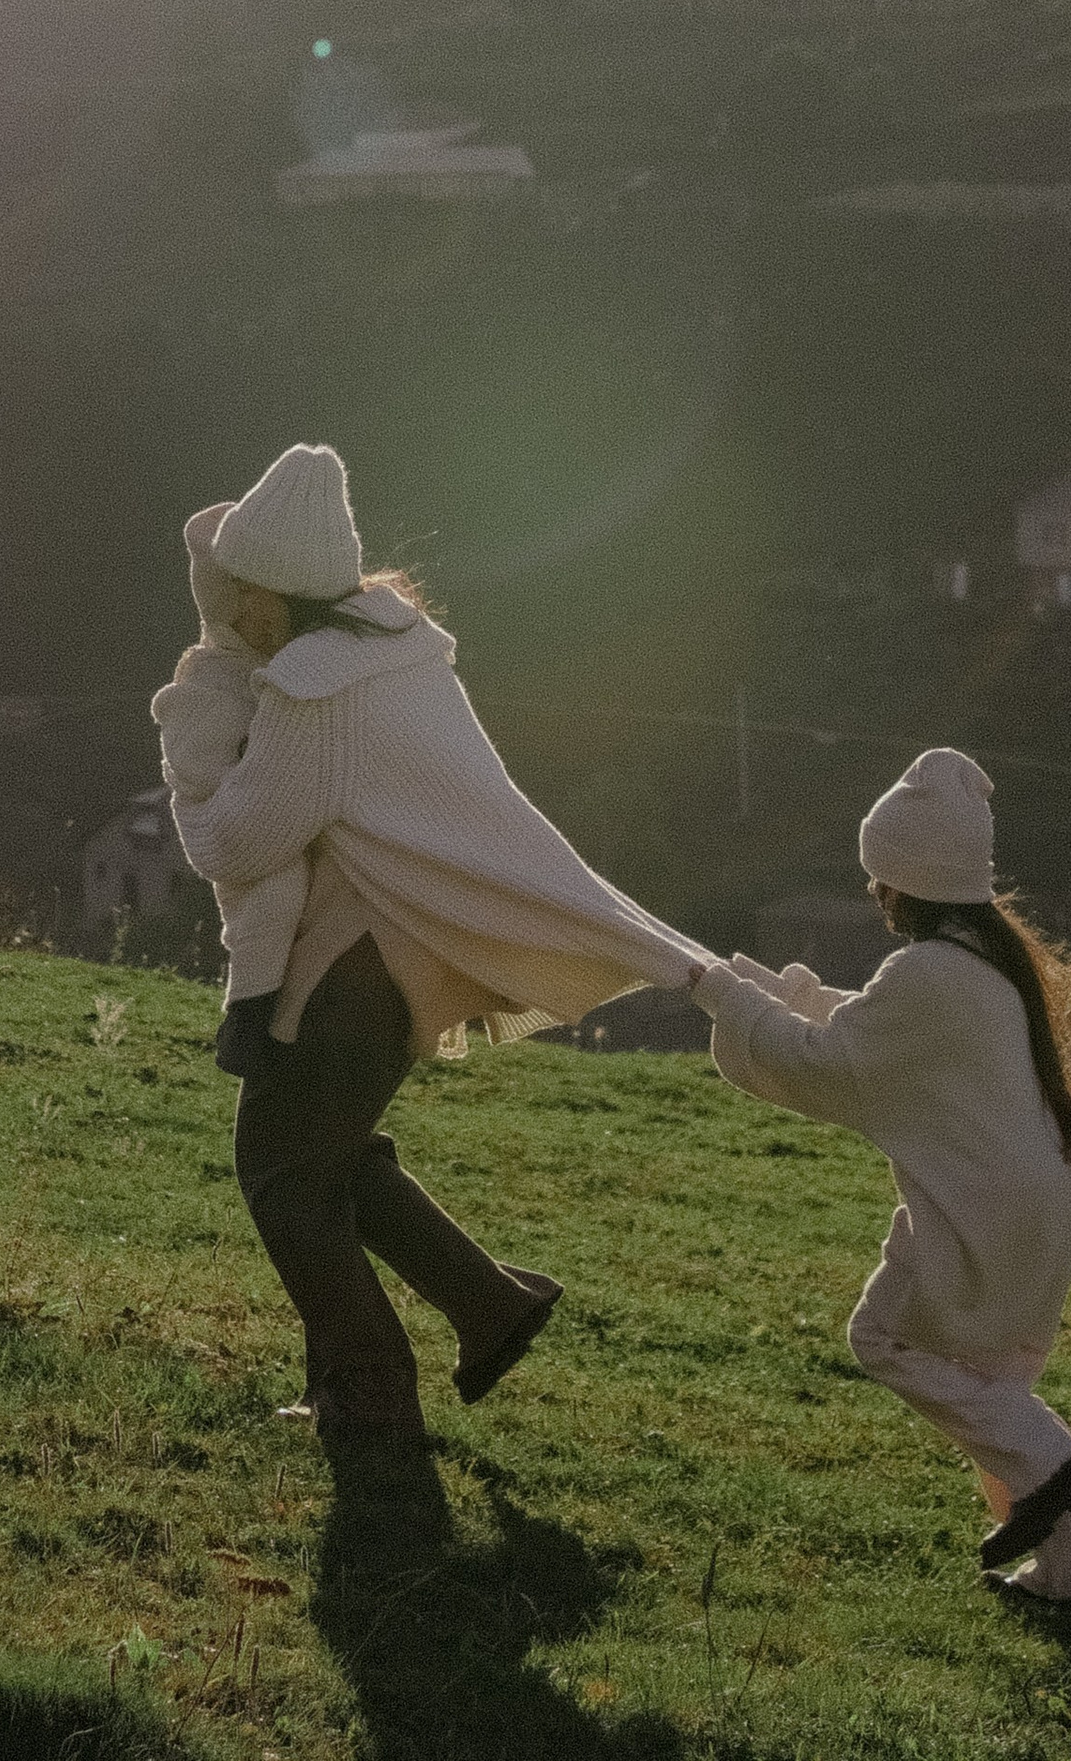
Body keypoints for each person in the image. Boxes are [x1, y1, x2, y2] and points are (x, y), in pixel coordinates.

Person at [159, 441, 712, 1445]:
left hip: (353, 968)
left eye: (244, 595)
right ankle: (489, 1307)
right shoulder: (392, 645)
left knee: (281, 1176)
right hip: (385, 955)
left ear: (279, 595)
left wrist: (193, 771)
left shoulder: (313, 693)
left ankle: (368, 1393)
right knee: (331, 1161)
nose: (233, 614)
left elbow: (238, 837)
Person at [690, 748, 1071, 1608]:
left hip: (976, 1212)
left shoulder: (930, 970)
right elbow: (880, 1036)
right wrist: (783, 992)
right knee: (987, 1378)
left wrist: (727, 999)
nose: (874, 896)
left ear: (904, 880)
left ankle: (1053, 1468)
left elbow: (833, 1063)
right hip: (1022, 1201)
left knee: (883, 1341)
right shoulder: (984, 957)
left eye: (878, 879)